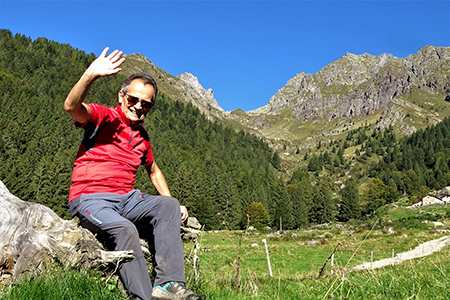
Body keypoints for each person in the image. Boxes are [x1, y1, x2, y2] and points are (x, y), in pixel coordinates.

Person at [64, 47, 202, 300]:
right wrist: (91, 75)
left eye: (145, 104)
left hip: (127, 199)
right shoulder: (103, 116)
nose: (138, 106)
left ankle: (168, 285)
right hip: (90, 198)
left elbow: (154, 171)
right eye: (133, 99)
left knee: (168, 205)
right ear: (121, 96)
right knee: (125, 229)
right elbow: (72, 106)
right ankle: (142, 297)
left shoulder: (142, 137)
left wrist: (175, 202)